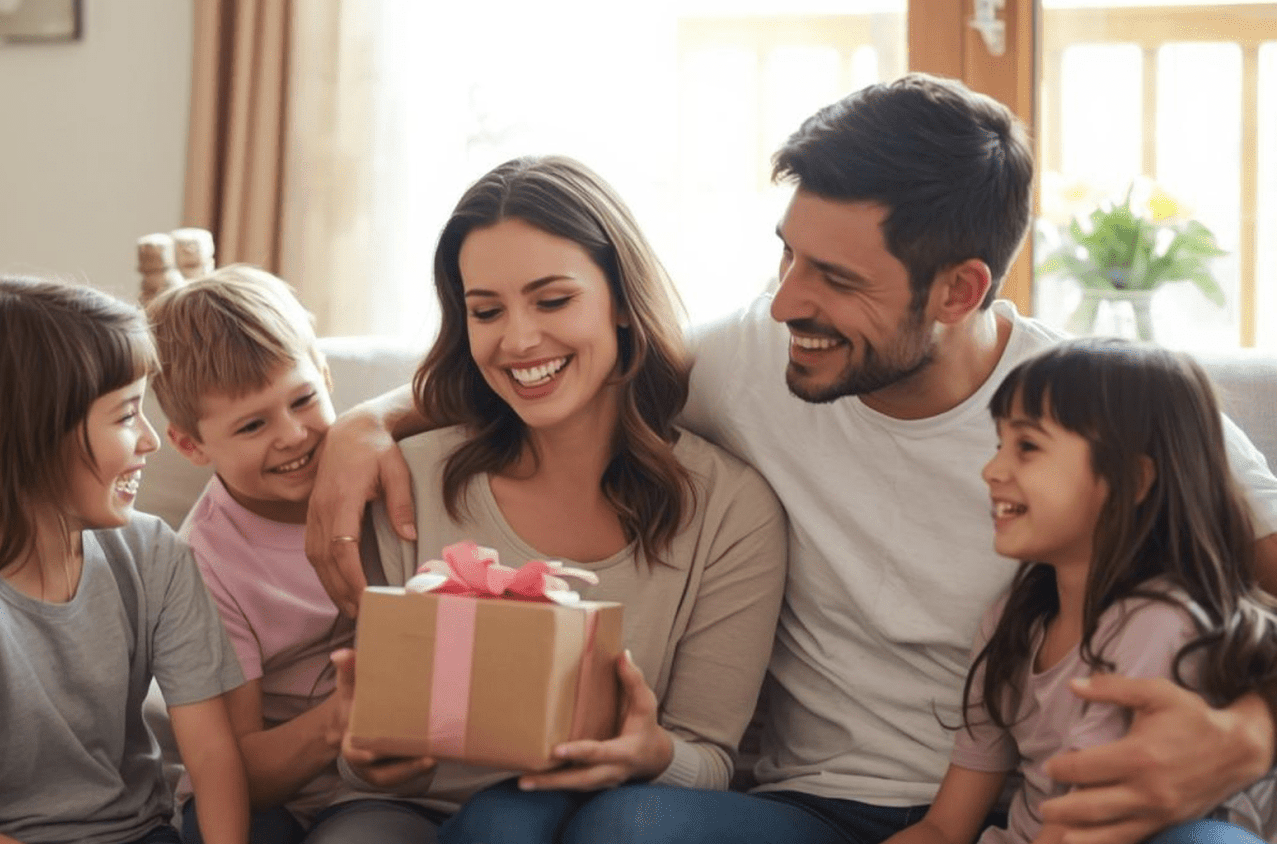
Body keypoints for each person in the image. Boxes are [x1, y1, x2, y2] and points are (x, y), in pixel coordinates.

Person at [304, 73, 1277, 844]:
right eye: (788, 255)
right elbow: (569, 362)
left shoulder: (1103, 407)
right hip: (806, 806)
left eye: (835, 279)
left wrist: (1249, 731)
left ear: (958, 290)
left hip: (1041, 801)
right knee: (628, 826)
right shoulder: (754, 359)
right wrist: (366, 422)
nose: (784, 303)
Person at [324, 154, 788, 843]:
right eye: (487, 311)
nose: (518, 340)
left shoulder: (729, 510)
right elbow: (360, 755)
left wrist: (653, 754)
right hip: (416, 816)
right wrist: (367, 754)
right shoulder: (406, 480)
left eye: (552, 301)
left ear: (622, 302)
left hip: (608, 815)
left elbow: (710, 761)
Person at [0, 277, 250, 844]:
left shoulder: (155, 555)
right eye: (126, 416)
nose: (150, 440)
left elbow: (212, 755)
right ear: (29, 435)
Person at [882, 339, 1277, 844]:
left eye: (1027, 447)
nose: (992, 470)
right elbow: (944, 826)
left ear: (1132, 479)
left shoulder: (1159, 626)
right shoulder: (1012, 622)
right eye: (1000, 444)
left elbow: (1081, 826)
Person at [144, 266, 366, 844]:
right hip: (269, 792)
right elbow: (235, 771)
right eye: (252, 425)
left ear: (324, 375)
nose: (292, 434)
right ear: (190, 445)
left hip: (379, 787)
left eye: (303, 399)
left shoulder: (370, 466)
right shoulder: (204, 564)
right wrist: (342, 718)